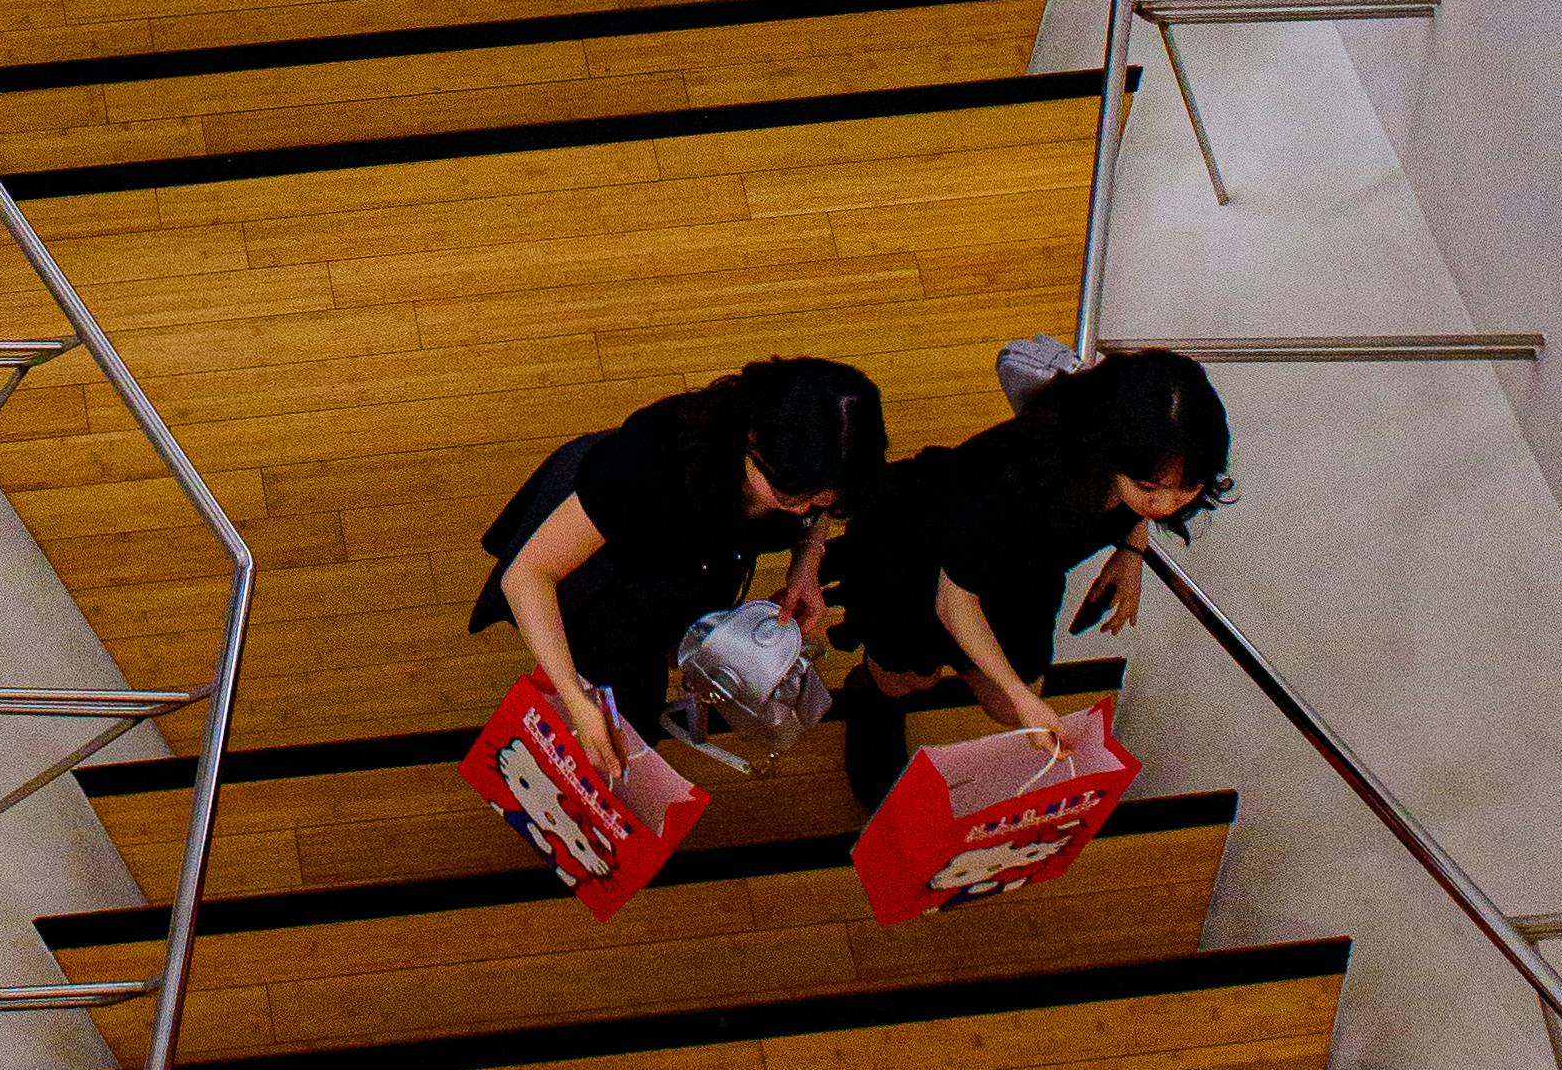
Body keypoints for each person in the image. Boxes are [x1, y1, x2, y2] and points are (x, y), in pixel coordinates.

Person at [832, 346, 1233, 809]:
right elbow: (954, 600)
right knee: (908, 678)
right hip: (919, 555)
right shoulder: (1022, 477)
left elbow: (1151, 496)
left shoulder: (1141, 476)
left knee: (1006, 702)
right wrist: (1023, 699)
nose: (1167, 505)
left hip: (1023, 573)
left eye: (1189, 489)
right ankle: (872, 701)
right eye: (1148, 490)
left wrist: (1130, 552)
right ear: (1107, 450)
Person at [471, 358, 888, 787]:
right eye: (790, 495)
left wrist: (807, 559)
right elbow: (529, 574)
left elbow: (813, 510)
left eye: (822, 501)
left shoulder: (806, 473)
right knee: (623, 705)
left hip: (696, 571)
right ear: (752, 440)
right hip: (610, 577)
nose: (804, 509)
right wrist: (577, 701)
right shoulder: (652, 461)